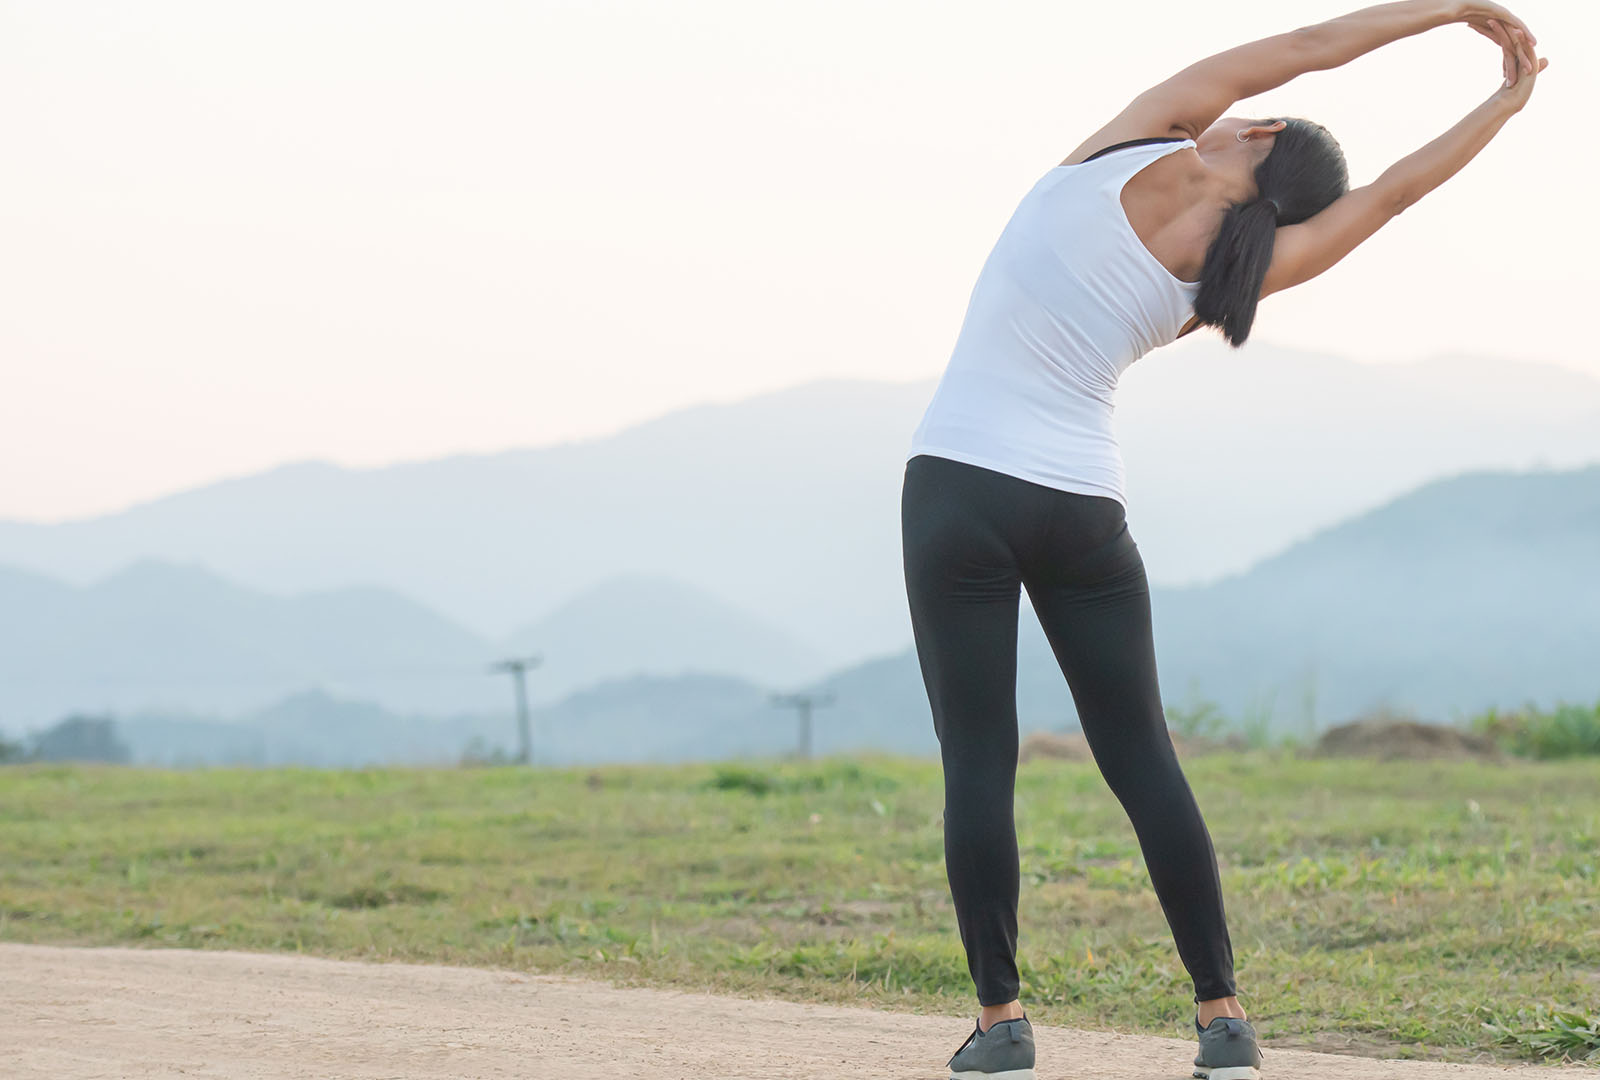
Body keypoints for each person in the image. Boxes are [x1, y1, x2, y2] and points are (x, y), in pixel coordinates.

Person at [899, 3, 1547, 1078]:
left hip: (959, 486)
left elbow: (1304, 50)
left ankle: (1002, 1021)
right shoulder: (1236, 274)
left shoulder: (1137, 136)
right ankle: (1221, 1018)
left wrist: (1458, 10)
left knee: (977, 761)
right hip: (1082, 506)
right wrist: (1505, 103)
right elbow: (1395, 193)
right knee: (1144, 759)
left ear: (1253, 134)